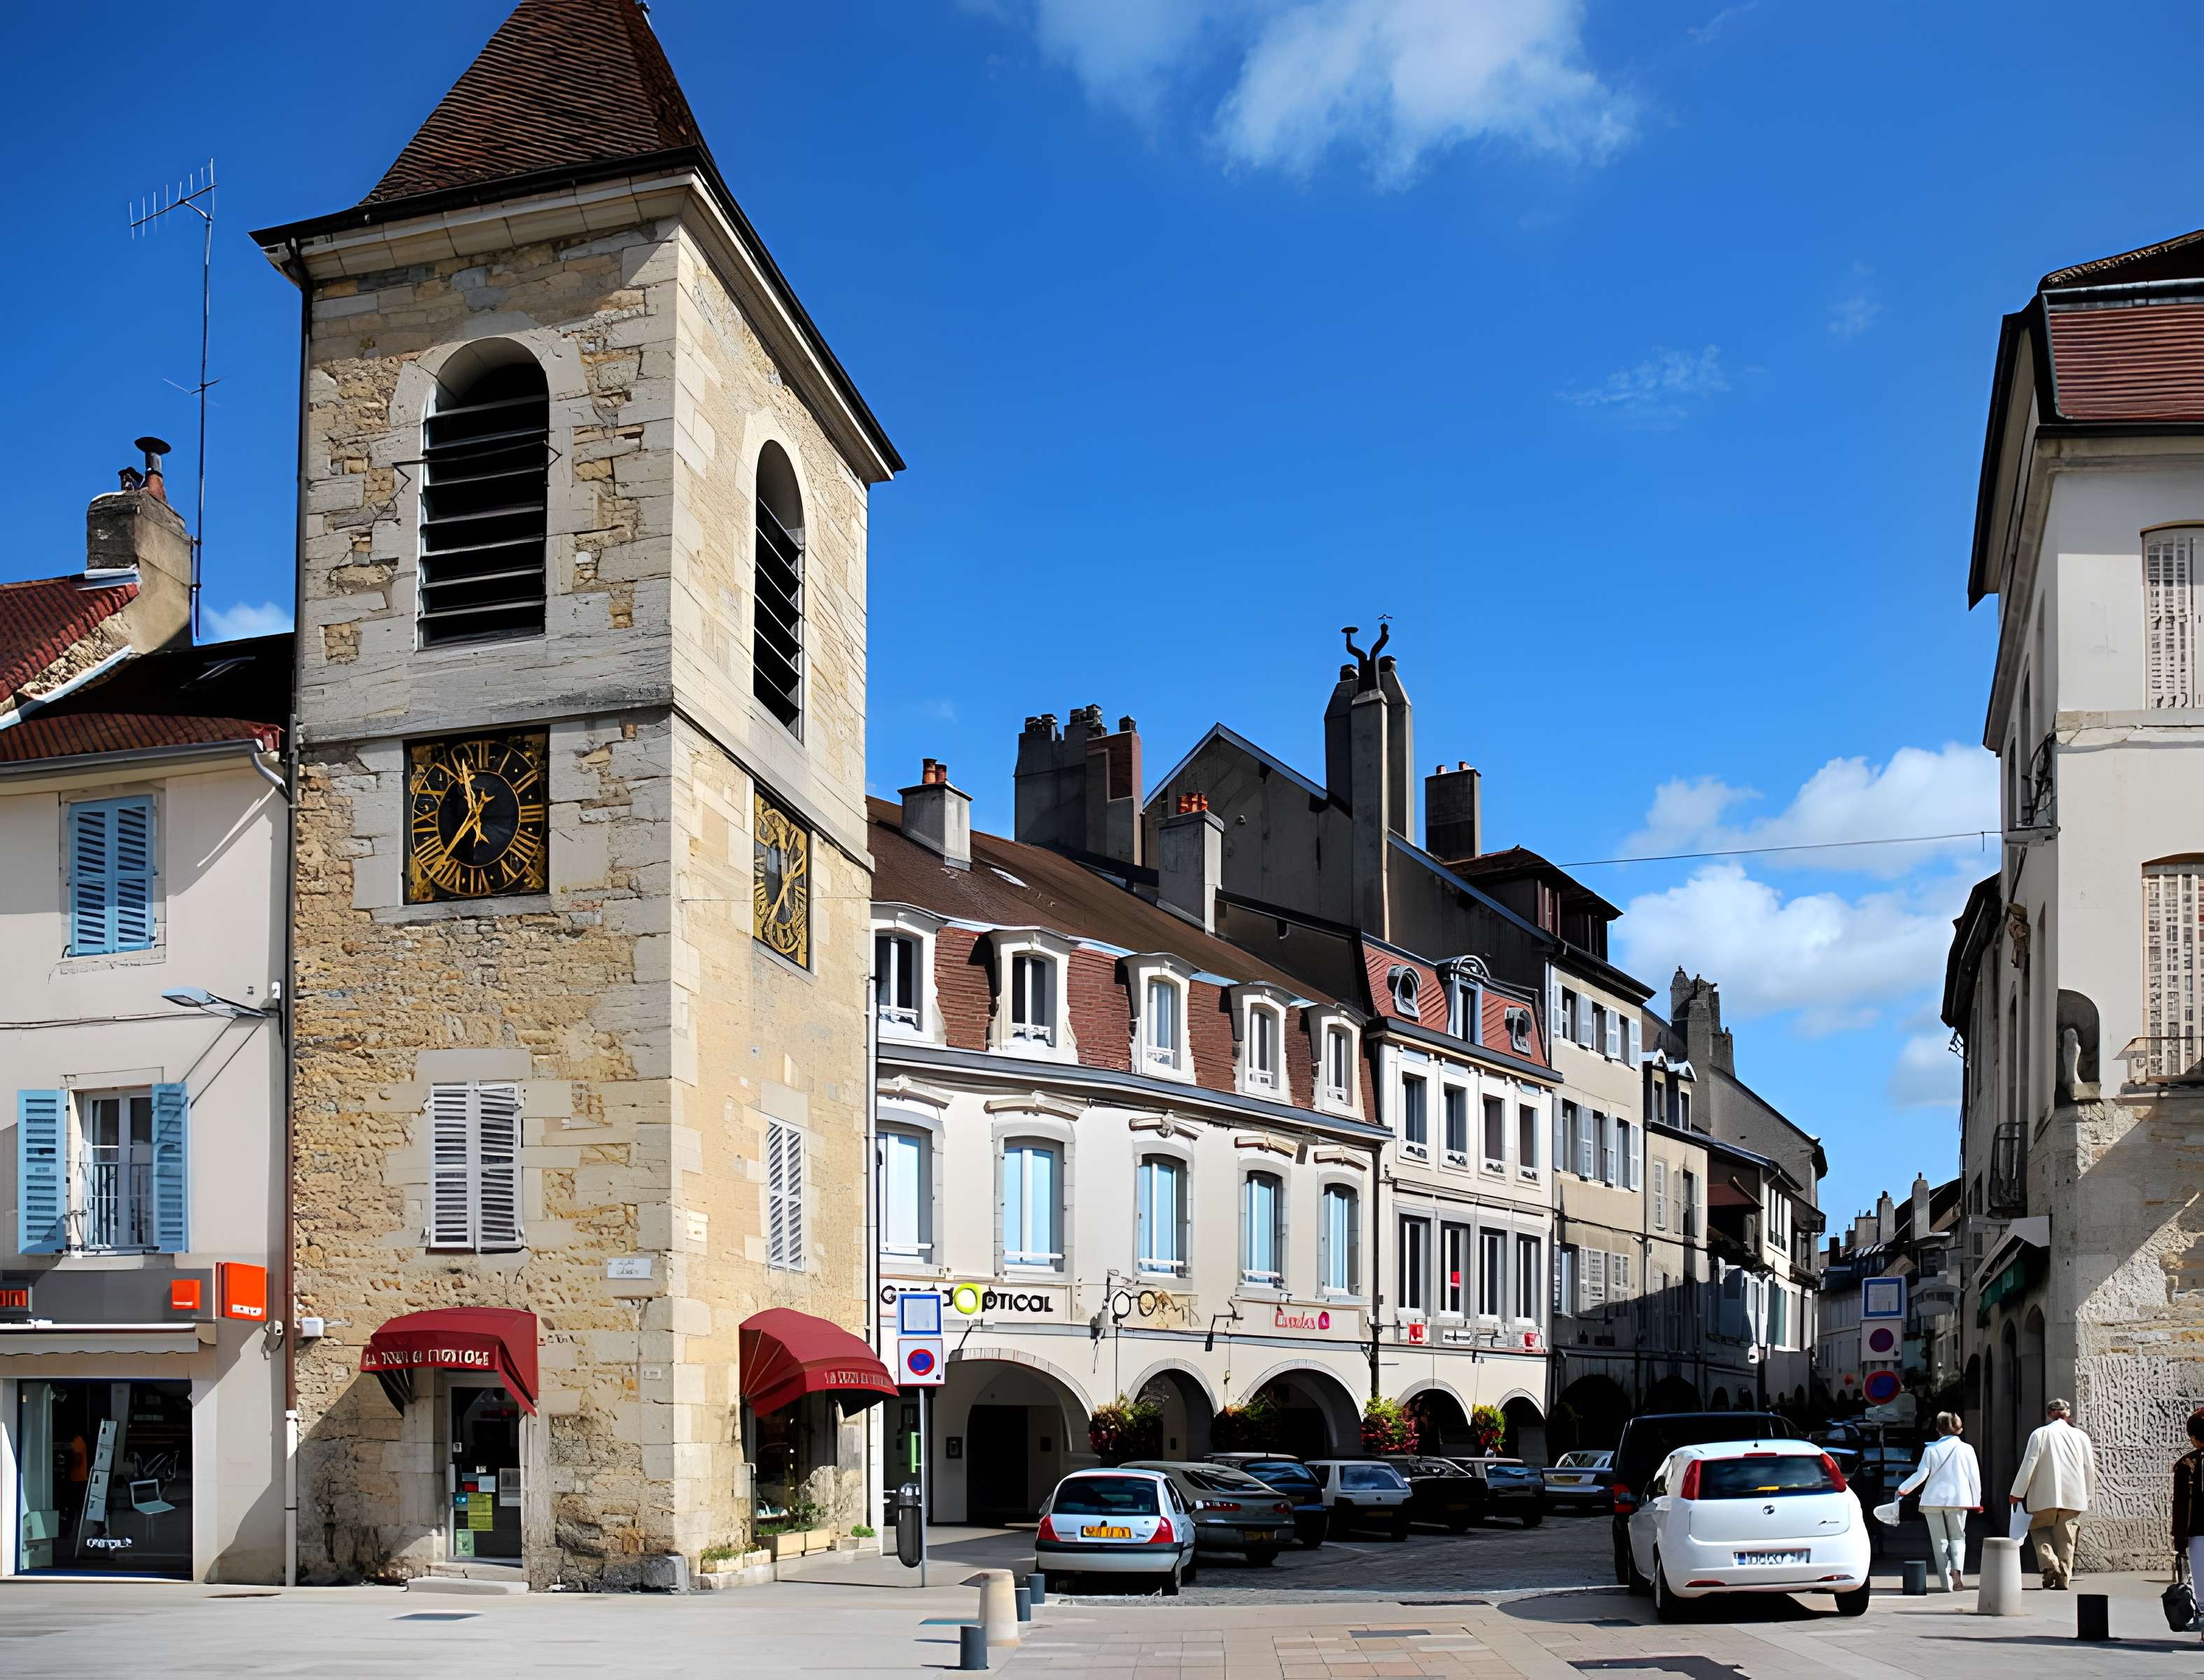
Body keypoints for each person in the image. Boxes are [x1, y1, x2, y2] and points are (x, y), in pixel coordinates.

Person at [2009, 1398, 2097, 1590]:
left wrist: (2017, 1492)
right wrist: (2088, 1494)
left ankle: (2051, 1564)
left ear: (2049, 1414)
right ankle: (2064, 1576)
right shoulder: (2081, 1436)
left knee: (2040, 1532)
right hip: (2073, 1497)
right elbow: (2089, 1467)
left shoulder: (2040, 1434)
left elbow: (2029, 1464)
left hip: (2043, 1497)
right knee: (2067, 1538)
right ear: (2068, 1414)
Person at [1897, 1411, 1982, 1592]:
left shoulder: (1930, 1450)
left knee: (1939, 1541)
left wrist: (1903, 1489)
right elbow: (1974, 1478)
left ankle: (1946, 1582)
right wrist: (1977, 1501)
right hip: (1959, 1499)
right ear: (1959, 1428)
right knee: (1958, 1537)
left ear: (1938, 1429)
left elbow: (1921, 1475)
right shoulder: (1967, 1450)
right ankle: (1957, 1572)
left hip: (1932, 1500)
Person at [2172, 1408, 2204, 1636]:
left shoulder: (2187, 1464)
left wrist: (2179, 1540)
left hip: (2198, 1532)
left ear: (2193, 1437)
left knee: (2202, 1585)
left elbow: (2181, 1506)